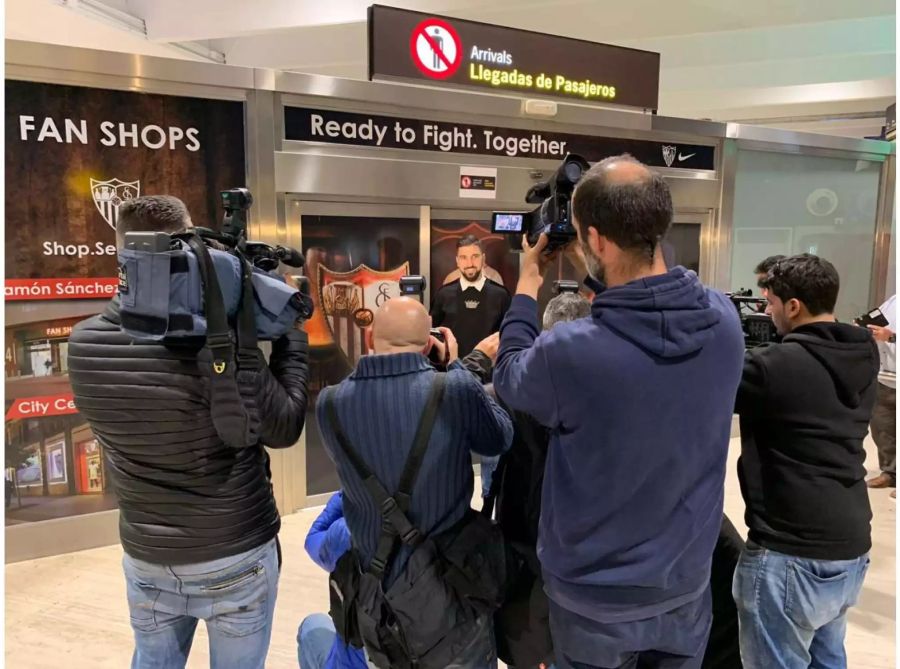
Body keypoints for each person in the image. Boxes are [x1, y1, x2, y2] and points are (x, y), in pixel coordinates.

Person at [494, 154, 745, 669]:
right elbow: (659, 300)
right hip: (684, 586)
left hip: (594, 602)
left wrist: (526, 282)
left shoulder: (571, 353)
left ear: (597, 241)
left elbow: (510, 375)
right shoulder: (723, 320)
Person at [68, 195, 310, 669]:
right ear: (187, 245)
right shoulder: (219, 346)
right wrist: (290, 332)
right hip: (234, 554)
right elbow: (284, 426)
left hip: (146, 555)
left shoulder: (83, 343)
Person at [317, 297, 513, 668]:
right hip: (450, 591)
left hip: (376, 598)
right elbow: (499, 438)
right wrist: (456, 366)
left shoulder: (329, 404)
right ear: (428, 345)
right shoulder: (453, 388)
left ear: (370, 336)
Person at [733, 254, 877, 669]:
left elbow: (703, 383)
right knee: (828, 658)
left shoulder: (772, 367)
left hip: (789, 552)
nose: (767, 312)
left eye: (770, 303)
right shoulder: (863, 350)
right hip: (849, 545)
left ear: (793, 306)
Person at [490, 290, 591, 669]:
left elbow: (465, 395)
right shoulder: (610, 390)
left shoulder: (518, 390)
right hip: (586, 552)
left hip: (526, 540)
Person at [431, 235, 511, 358]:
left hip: (490, 373)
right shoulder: (443, 294)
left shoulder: (501, 295)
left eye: (475, 257)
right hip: (453, 372)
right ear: (457, 261)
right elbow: (433, 334)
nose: (470, 263)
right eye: (464, 258)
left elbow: (510, 337)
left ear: (483, 259)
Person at [866, 293, 896, 494]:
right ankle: (890, 472)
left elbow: (890, 333)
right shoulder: (894, 300)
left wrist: (891, 336)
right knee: (882, 426)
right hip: (886, 373)